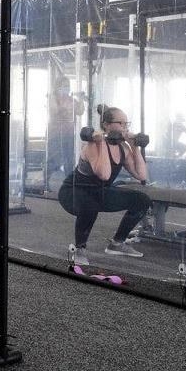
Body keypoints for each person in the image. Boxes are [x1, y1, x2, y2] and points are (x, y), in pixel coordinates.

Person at [58, 104, 151, 266]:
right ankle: (79, 249)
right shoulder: (93, 145)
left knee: (142, 200)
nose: (124, 127)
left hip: (99, 191)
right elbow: (105, 174)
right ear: (106, 125)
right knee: (90, 205)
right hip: (73, 192)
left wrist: (135, 146)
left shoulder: (124, 147)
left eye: (126, 124)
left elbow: (141, 175)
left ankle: (117, 243)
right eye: (120, 123)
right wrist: (101, 143)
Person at [46, 80, 85, 183]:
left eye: (67, 86)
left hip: (69, 134)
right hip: (55, 134)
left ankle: (69, 182)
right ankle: (45, 183)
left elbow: (80, 111)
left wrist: (80, 99)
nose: (66, 88)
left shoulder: (71, 99)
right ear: (57, 87)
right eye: (64, 86)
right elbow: (55, 111)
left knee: (69, 159)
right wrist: (63, 107)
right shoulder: (53, 99)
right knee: (53, 159)